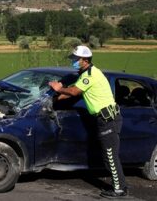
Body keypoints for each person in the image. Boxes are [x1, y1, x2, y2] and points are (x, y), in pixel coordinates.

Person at [48, 45, 128, 198]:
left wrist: (58, 88)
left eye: (75, 59)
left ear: (85, 60)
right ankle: (120, 187)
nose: (73, 61)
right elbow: (74, 94)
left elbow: (74, 91)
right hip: (104, 119)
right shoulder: (84, 74)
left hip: (108, 119)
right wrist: (55, 98)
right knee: (108, 155)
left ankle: (119, 189)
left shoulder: (90, 75)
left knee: (110, 156)